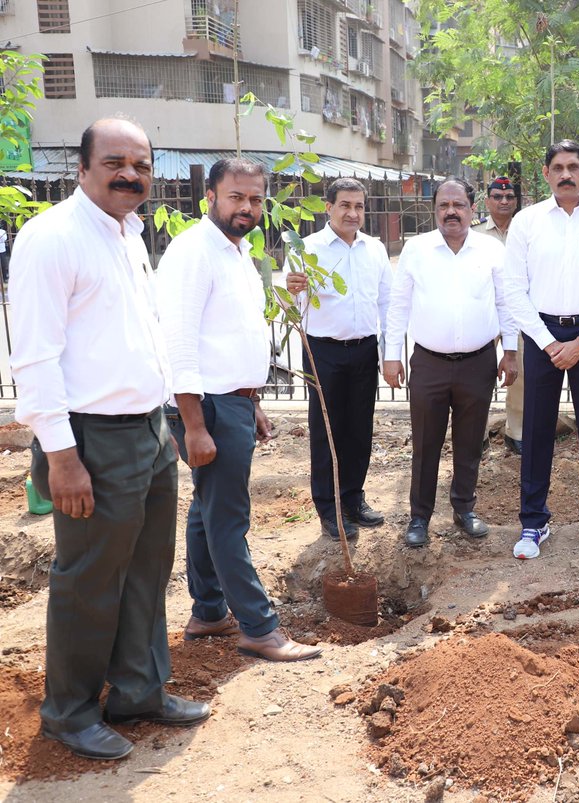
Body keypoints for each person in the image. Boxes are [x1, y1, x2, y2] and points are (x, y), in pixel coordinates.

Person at [11, 117, 208, 761]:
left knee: (148, 573)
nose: (131, 175)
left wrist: (165, 422)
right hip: (91, 441)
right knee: (90, 578)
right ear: (82, 167)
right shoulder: (52, 239)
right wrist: (62, 458)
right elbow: (36, 359)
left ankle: (137, 690)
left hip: (148, 434)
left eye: (142, 166)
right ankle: (68, 712)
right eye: (115, 162)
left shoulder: (127, 235)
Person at [158, 158, 322, 661]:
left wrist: (250, 403)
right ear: (210, 195)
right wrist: (195, 425)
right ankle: (259, 627)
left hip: (229, 403)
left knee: (208, 512)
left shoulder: (236, 252)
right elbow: (179, 344)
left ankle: (208, 612)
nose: (246, 207)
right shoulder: (193, 253)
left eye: (255, 199)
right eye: (236, 197)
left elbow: (230, 336)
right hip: (203, 407)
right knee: (229, 518)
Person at [504, 140, 579, 560]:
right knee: (536, 432)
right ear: (546, 174)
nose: (566, 174)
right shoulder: (527, 222)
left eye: (573, 166)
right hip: (542, 336)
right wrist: (548, 343)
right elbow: (514, 291)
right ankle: (533, 524)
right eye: (557, 167)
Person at [383, 177, 518, 547]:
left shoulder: (490, 250)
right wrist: (391, 356)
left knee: (470, 441)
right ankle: (419, 517)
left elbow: (506, 303)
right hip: (429, 363)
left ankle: (464, 508)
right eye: (443, 206)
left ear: (472, 210)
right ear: (435, 210)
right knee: (426, 442)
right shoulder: (417, 249)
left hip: (479, 362)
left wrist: (511, 351)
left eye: (458, 205)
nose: (451, 212)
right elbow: (399, 305)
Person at [286, 177, 392, 542]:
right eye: (345, 205)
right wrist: (289, 290)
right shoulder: (307, 249)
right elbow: (293, 305)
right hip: (323, 351)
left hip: (364, 349)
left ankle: (353, 497)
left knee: (360, 428)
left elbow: (387, 303)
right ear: (328, 208)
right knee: (327, 430)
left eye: (359, 206)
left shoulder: (374, 249)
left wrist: (389, 351)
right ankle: (328, 507)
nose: (352, 213)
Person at [472, 176, 523, 454]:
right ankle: (476, 437)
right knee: (478, 377)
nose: (504, 202)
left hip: (519, 313)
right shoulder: (474, 233)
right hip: (484, 313)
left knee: (521, 376)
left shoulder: (526, 230)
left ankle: (517, 435)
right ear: (487, 201)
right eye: (497, 197)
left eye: (509, 197)